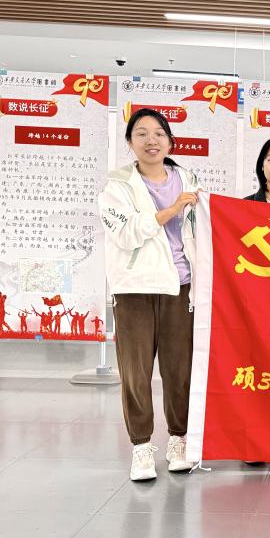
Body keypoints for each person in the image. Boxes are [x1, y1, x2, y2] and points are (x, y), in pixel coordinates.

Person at [99, 107, 199, 482]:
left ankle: (179, 440)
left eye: (158, 133)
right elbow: (126, 233)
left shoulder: (188, 179)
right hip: (135, 289)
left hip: (180, 287)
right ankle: (141, 447)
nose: (151, 140)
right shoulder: (117, 185)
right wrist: (171, 210)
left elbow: (201, 230)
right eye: (141, 134)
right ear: (130, 142)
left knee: (180, 370)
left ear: (170, 141)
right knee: (135, 372)